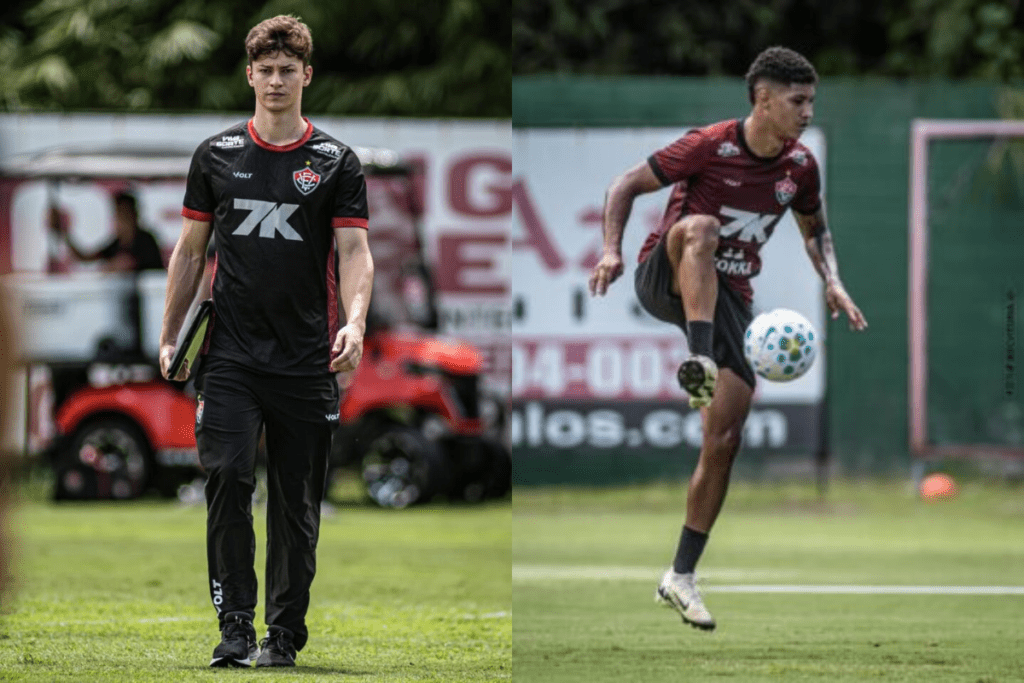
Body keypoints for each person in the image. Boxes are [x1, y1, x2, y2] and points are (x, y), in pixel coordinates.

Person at [588, 46, 867, 631]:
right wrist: (611, 250)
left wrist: (834, 282)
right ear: (763, 99)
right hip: (666, 275)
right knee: (702, 228)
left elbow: (814, 229)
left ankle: (680, 575)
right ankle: (699, 359)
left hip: (730, 300)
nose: (808, 112)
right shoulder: (709, 144)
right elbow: (624, 185)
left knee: (724, 438)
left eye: (812, 101)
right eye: (798, 101)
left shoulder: (800, 166)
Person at [158, 15, 373, 668]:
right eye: (266, 70)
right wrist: (169, 336)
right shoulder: (216, 155)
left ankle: (282, 637)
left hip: (306, 359)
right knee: (227, 475)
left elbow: (355, 251)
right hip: (229, 356)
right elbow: (189, 253)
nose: (276, 81)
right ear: (249, 75)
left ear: (307, 76)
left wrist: (355, 321)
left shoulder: (336, 161)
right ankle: (233, 629)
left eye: (288, 70)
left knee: (296, 507)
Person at [49, 192, 164, 272]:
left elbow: (131, 264)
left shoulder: (146, 240)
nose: (120, 221)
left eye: (124, 215)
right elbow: (86, 258)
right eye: (118, 214)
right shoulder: (116, 243)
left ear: (134, 215)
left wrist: (115, 266)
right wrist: (64, 234)